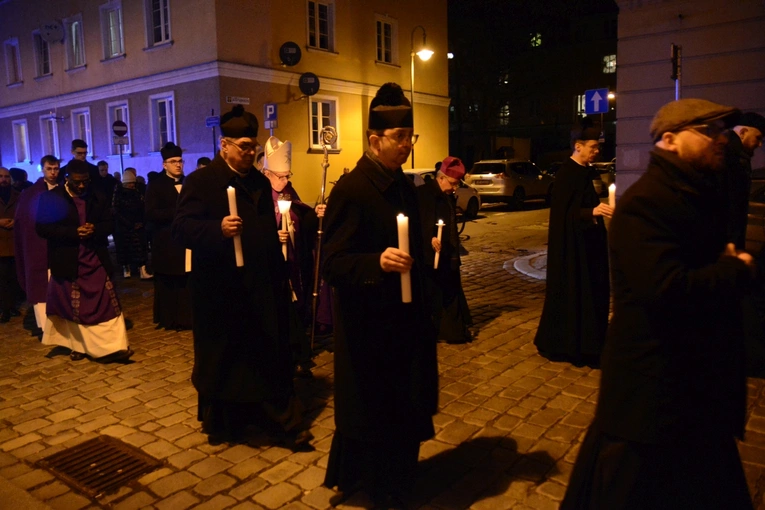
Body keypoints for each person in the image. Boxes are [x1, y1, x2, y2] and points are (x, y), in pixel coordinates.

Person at [562, 99, 755, 509]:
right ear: (669, 139)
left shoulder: (695, 194)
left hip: (692, 389)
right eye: (709, 132)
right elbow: (665, 289)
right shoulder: (648, 203)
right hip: (651, 395)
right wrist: (734, 269)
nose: (721, 139)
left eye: (722, 131)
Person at [321, 82, 438, 507]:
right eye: (400, 138)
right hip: (371, 327)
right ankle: (377, 482)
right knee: (378, 410)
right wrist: (376, 262)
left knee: (406, 404)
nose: (408, 145)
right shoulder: (352, 190)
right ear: (374, 140)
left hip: (406, 321)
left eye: (411, 137)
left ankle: (401, 473)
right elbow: (332, 263)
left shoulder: (404, 184)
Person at [172, 105, 310, 449]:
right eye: (244, 146)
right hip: (221, 290)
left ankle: (281, 420)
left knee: (266, 353)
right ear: (225, 146)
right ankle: (226, 422)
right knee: (225, 357)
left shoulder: (260, 184)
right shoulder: (202, 182)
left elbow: (264, 228)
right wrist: (216, 228)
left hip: (260, 285)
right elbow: (182, 228)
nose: (251, 153)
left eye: (254, 147)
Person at [36, 159, 132, 362]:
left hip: (95, 258)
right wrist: (73, 232)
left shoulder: (98, 197)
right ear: (67, 179)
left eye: (85, 182)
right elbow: (43, 228)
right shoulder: (51, 198)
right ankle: (78, 345)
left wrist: (95, 229)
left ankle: (116, 346)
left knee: (107, 304)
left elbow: (110, 223)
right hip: (68, 260)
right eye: (77, 182)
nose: (81, 186)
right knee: (73, 308)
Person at [534, 124, 613, 367]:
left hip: (589, 246)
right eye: (593, 147)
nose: (596, 151)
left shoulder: (586, 172)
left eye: (598, 148)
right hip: (572, 252)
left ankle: (592, 341)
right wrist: (592, 211)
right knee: (577, 293)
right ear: (578, 147)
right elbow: (562, 216)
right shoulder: (567, 174)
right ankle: (575, 345)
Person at [262, 136, 324, 376]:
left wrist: (314, 213)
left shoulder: (288, 191)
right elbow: (253, 227)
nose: (285, 180)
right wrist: (272, 236)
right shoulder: (259, 192)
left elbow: (301, 216)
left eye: (288, 175)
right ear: (267, 173)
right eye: (281, 176)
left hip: (294, 261)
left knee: (296, 306)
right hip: (272, 263)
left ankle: (297, 351)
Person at [418, 156, 473, 344]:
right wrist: (429, 237)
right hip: (430, 256)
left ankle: (454, 328)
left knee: (449, 291)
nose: (455, 187)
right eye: (453, 183)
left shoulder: (447, 195)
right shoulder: (424, 194)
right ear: (441, 178)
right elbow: (419, 223)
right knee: (434, 294)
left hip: (447, 254)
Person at [145, 142, 193, 331]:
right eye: (173, 161)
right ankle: (169, 318)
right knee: (168, 281)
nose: (178, 165)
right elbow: (150, 213)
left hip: (187, 241)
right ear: (165, 164)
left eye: (180, 161)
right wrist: (178, 212)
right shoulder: (156, 185)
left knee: (186, 281)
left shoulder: (190, 182)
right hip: (166, 242)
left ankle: (187, 318)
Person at [14, 155, 59, 334]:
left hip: (58, 247)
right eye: (49, 168)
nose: (53, 172)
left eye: (56, 168)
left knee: (58, 287)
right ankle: (44, 327)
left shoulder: (63, 189)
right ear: (43, 169)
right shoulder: (31, 193)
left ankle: (60, 325)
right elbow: (24, 221)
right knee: (41, 288)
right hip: (39, 247)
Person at [113, 169, 152, 280]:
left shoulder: (137, 193)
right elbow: (116, 211)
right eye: (129, 183)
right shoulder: (119, 193)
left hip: (137, 225)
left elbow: (143, 208)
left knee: (141, 249)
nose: (131, 185)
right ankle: (127, 268)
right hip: (124, 226)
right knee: (125, 249)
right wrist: (128, 223)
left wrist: (141, 222)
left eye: (132, 183)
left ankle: (142, 270)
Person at [0, 167, 21, 323]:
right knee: (2, 278)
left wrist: (16, 221)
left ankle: (12, 305)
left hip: (13, 242)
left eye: (6, 176)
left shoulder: (17, 195)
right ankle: (4, 308)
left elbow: (23, 214)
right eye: (1, 176)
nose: (4, 179)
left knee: (13, 277)